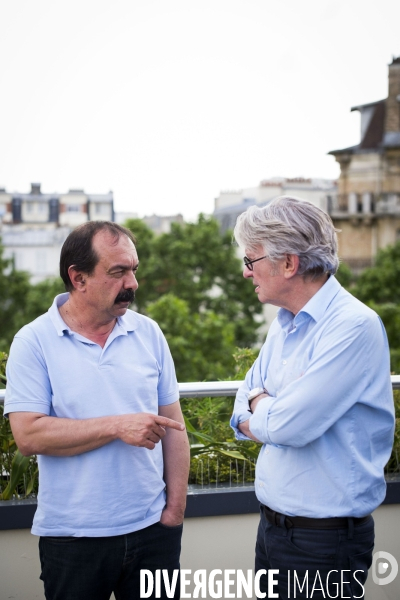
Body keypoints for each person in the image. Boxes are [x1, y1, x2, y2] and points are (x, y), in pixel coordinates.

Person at [4, 221, 190, 600]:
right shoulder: (33, 341)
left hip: (153, 532)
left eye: (133, 270)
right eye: (117, 272)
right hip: (73, 540)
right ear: (78, 278)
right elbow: (28, 435)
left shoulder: (149, 333)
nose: (132, 283)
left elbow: (175, 426)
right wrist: (118, 425)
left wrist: (174, 512)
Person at [230, 196, 395, 599]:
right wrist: (264, 405)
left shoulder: (353, 327)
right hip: (273, 531)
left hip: (323, 544)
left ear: (288, 263)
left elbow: (290, 426)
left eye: (251, 261)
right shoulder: (283, 323)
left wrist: (263, 408)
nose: (246, 272)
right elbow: (243, 401)